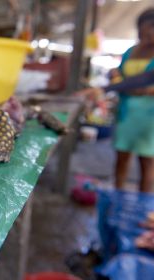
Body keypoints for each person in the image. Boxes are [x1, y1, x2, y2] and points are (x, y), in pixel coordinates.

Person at [78, 8, 154, 192]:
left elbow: (144, 80)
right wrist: (115, 77)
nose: (149, 33)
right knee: (121, 158)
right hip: (126, 112)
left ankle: (143, 205)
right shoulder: (131, 51)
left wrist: (108, 88)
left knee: (147, 163)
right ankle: (117, 198)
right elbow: (127, 79)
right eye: (146, 29)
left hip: (149, 118)